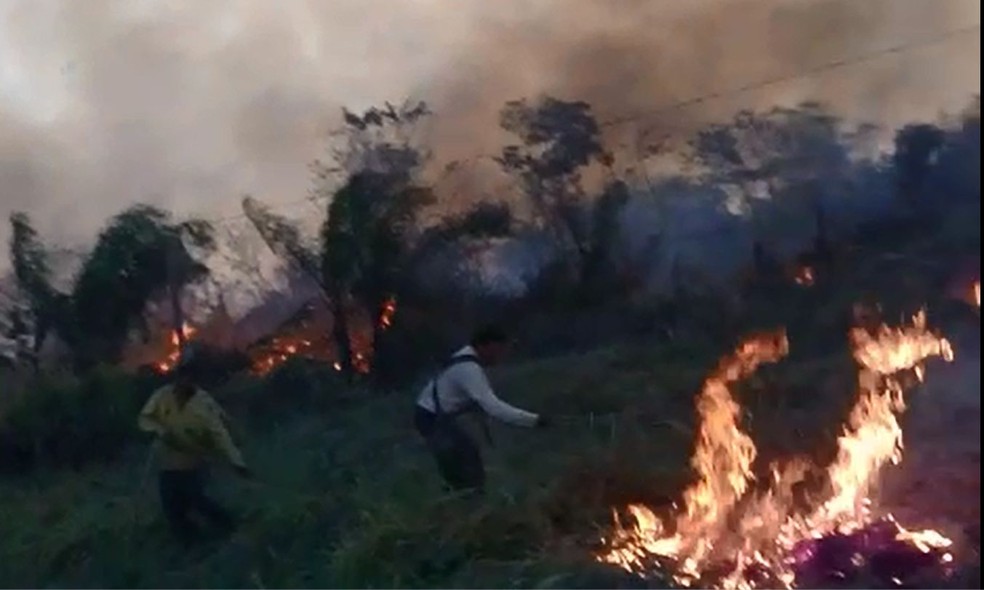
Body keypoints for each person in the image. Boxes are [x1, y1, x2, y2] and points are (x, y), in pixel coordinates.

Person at [414, 325, 548, 493]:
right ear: (487, 346)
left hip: (433, 416)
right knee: (464, 463)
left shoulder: (466, 360)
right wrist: (534, 420)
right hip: (431, 419)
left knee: (463, 459)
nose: (502, 356)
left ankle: (460, 499)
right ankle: (465, 501)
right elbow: (493, 406)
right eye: (500, 350)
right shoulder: (468, 369)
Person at [137, 346, 251, 543]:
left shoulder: (204, 404)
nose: (185, 380)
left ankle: (232, 528)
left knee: (201, 502)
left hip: (194, 464)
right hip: (168, 467)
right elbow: (145, 418)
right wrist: (160, 431)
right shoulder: (162, 396)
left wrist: (237, 462)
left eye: (190, 376)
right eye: (182, 375)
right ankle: (193, 545)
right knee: (173, 512)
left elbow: (220, 435)